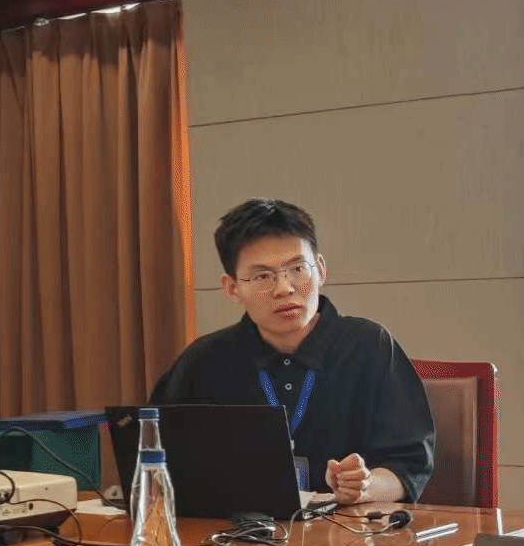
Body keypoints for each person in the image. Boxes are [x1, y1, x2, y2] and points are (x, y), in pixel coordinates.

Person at [151, 198, 434, 504]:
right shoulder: (204, 361)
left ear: (320, 270)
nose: (284, 288)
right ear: (232, 288)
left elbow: (410, 465)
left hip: (347, 528)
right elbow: (157, 459)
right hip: (239, 529)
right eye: (262, 276)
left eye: (298, 269)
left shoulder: (370, 346)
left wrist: (365, 486)